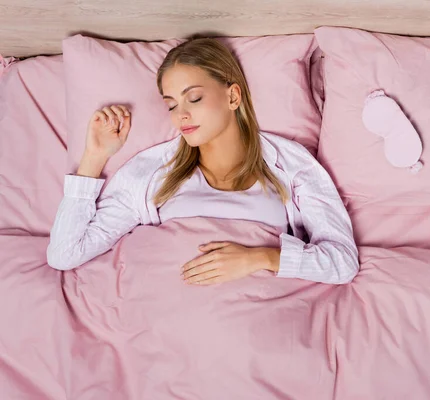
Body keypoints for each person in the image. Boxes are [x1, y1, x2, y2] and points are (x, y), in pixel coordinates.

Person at [47, 38, 359, 285]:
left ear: (233, 97)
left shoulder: (291, 165)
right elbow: (65, 254)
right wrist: (94, 158)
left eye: (193, 98)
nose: (181, 114)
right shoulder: (150, 173)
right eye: (171, 105)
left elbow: (342, 261)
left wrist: (261, 258)